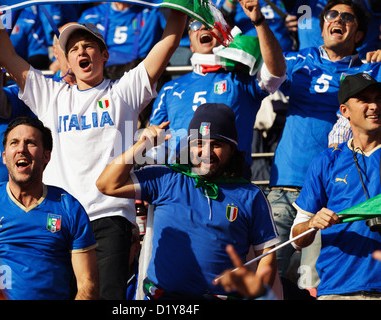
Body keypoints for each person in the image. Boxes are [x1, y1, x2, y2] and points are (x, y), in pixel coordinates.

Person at [0, 8, 187, 300]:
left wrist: (180, 12)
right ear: (67, 61)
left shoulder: (123, 93)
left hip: (108, 216)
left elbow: (167, 43)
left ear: (104, 54)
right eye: (74, 48)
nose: (82, 51)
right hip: (59, 216)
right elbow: (7, 55)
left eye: (89, 45)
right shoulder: (51, 95)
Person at [96, 103, 280, 299]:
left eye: (216, 144)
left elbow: (267, 255)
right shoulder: (166, 178)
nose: (206, 152)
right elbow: (106, 184)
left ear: (232, 149)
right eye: (199, 143)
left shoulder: (251, 195)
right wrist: (142, 146)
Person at [267, 0, 381, 281]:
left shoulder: (371, 72)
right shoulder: (297, 60)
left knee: (317, 284)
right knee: (266, 281)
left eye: (347, 17)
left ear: (358, 35)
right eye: (332, 14)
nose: (337, 19)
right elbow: (268, 79)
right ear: (322, 26)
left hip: (335, 196)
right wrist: (259, 22)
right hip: (287, 185)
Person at [149, 0, 286, 179]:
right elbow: (154, 141)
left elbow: (276, 74)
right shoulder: (170, 88)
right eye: (196, 24)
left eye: (211, 24)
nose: (203, 28)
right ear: (190, 43)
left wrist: (258, 21)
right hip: (180, 181)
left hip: (231, 180)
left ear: (225, 35)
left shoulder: (241, 79)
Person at [0, 117, 98, 300]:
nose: (21, 149)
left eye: (30, 143)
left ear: (46, 156)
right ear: (4, 157)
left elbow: (88, 285)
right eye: (14, 143)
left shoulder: (69, 208)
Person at [291, 73, 381, 300]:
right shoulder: (326, 160)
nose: (374, 106)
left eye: (379, 99)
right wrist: (313, 223)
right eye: (364, 99)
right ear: (344, 111)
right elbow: (296, 239)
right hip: (338, 289)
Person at [78, 2, 166, 80]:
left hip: (140, 75)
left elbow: (175, 38)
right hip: (102, 75)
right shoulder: (91, 15)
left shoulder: (152, 11)